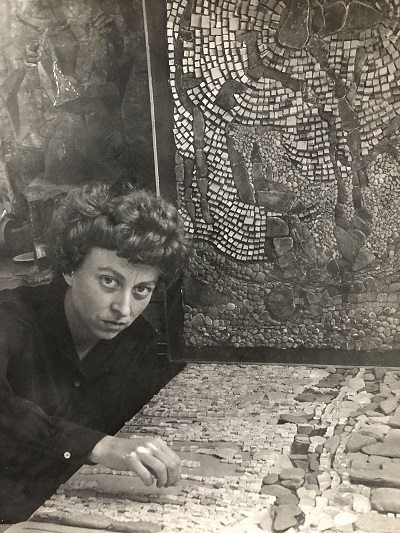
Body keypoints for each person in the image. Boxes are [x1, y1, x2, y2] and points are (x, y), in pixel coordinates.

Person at [0, 182, 191, 523]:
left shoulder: (140, 342)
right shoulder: (10, 317)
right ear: (70, 269)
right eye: (109, 281)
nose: (124, 308)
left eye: (142, 289)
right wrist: (99, 446)